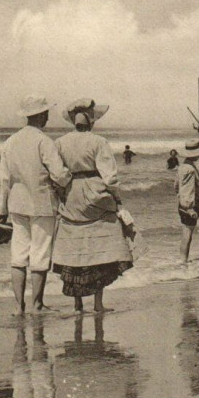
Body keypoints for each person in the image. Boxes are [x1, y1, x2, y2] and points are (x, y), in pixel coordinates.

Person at [52, 99, 133, 313]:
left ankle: (78, 305)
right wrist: (117, 199)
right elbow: (110, 177)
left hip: (71, 193)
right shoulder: (98, 141)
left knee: (75, 247)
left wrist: (61, 194)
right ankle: (98, 304)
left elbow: (56, 174)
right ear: (91, 121)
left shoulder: (59, 142)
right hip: (94, 192)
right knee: (101, 247)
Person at [0, 95, 72, 315]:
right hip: (41, 203)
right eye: (46, 113)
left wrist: (1, 211)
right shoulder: (44, 141)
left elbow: (4, 179)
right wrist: (68, 179)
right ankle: (37, 305)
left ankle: (18, 307)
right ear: (40, 115)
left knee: (18, 255)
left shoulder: (10, 141)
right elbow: (59, 174)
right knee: (40, 255)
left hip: (16, 204)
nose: (48, 117)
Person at [175, 139, 199, 263]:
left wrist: (182, 203)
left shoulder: (182, 167)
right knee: (187, 233)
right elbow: (189, 189)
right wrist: (189, 208)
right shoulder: (190, 169)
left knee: (186, 231)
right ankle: (183, 260)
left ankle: (183, 260)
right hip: (189, 205)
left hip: (182, 203)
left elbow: (176, 186)